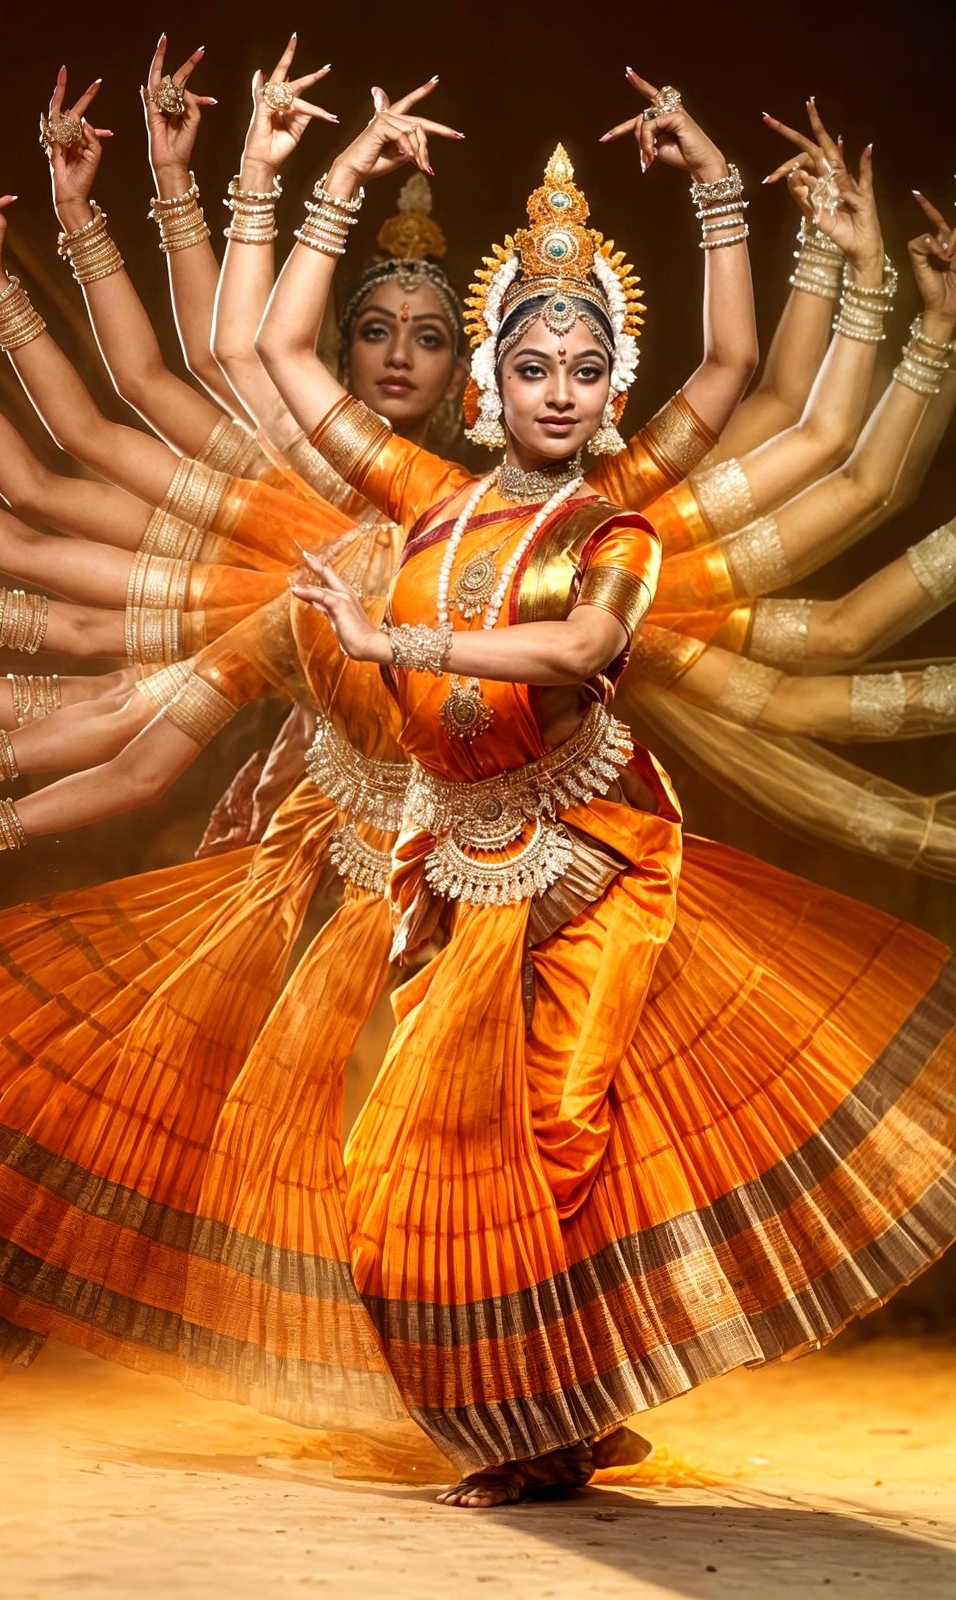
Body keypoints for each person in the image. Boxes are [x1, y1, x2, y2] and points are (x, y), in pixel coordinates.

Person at [272, 75, 955, 1505]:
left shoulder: (618, 521)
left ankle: (539, 1434)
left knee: (559, 1140)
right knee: (406, 1163)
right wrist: (325, 179)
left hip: (596, 860)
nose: (562, 390)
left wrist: (720, 195)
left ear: (614, 382)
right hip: (454, 866)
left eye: (588, 367)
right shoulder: (426, 495)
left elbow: (583, 645)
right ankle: (561, 1404)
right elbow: (280, 356)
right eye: (535, 368)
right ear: (487, 383)